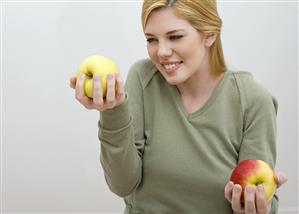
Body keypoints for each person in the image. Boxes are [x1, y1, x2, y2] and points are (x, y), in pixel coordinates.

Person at [70, 0, 287, 213]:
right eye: (151, 39)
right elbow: (122, 184)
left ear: (210, 34)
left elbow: (263, 198)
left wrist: (256, 206)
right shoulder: (143, 79)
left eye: (175, 37)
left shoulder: (253, 102)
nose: (161, 52)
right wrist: (112, 111)